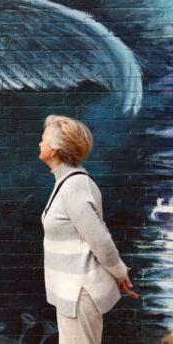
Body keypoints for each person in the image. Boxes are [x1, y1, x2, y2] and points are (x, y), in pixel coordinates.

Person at [38, 115, 139, 344]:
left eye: (43, 139)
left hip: (79, 294)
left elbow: (100, 240)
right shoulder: (65, 183)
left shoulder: (75, 186)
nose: (39, 144)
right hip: (71, 293)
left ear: (54, 149)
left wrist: (120, 273)